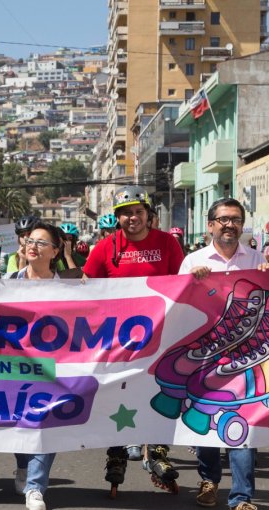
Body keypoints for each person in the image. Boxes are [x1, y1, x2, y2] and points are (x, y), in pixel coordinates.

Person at [83, 185, 185, 493]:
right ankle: (116, 455)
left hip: (160, 336)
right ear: (117, 218)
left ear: (149, 215)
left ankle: (157, 451)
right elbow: (88, 287)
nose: (133, 218)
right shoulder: (104, 248)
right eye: (126, 213)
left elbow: (182, 283)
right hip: (117, 341)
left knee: (160, 392)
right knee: (119, 396)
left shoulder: (167, 243)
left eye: (138, 211)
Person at [175, 198, 269, 510]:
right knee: (206, 421)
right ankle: (209, 480)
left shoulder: (259, 260)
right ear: (210, 225)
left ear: (242, 225)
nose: (229, 224)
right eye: (223, 219)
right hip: (205, 355)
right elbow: (175, 304)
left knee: (244, 426)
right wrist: (190, 283)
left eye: (235, 219)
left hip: (249, 356)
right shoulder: (193, 261)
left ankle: (241, 497)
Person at [8, 221, 78, 510]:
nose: (33, 246)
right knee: (17, 423)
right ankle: (23, 466)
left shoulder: (71, 287)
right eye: (30, 241)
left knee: (46, 423)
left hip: (54, 369)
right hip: (15, 368)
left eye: (41, 242)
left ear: (55, 251)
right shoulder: (8, 281)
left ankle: (35, 487)